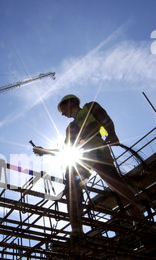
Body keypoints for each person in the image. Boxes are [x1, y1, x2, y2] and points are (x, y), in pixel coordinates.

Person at [33, 95, 142, 242]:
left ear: (71, 102)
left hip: (97, 150)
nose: (62, 113)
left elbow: (105, 119)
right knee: (72, 188)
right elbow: (66, 149)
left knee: (117, 184)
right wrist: (45, 151)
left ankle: (138, 219)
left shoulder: (90, 107)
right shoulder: (70, 128)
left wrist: (112, 134)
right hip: (80, 157)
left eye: (62, 108)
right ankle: (77, 230)